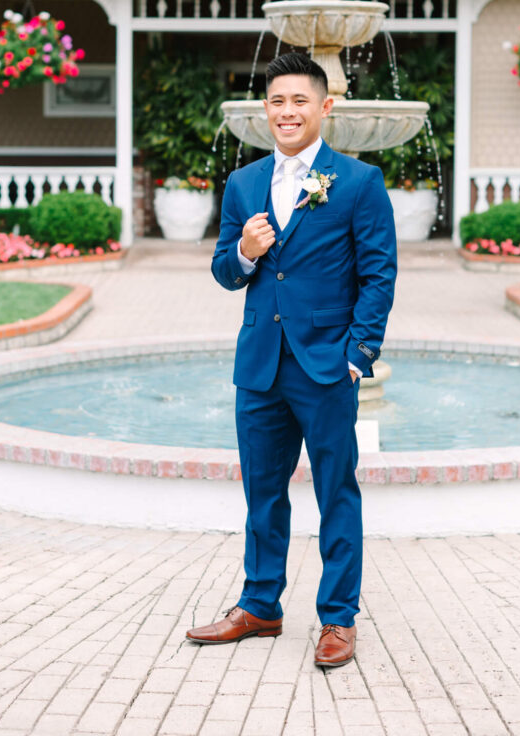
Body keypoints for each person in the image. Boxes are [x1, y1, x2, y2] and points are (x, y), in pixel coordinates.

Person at [186, 52, 397, 667]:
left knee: (336, 492)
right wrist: (246, 252)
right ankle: (260, 607)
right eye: (277, 101)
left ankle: (338, 619)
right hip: (259, 366)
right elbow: (226, 271)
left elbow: (378, 276)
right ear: (266, 110)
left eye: (299, 100)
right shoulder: (243, 183)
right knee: (262, 494)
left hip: (327, 366)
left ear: (324, 107)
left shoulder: (358, 182)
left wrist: (358, 353)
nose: (287, 111)